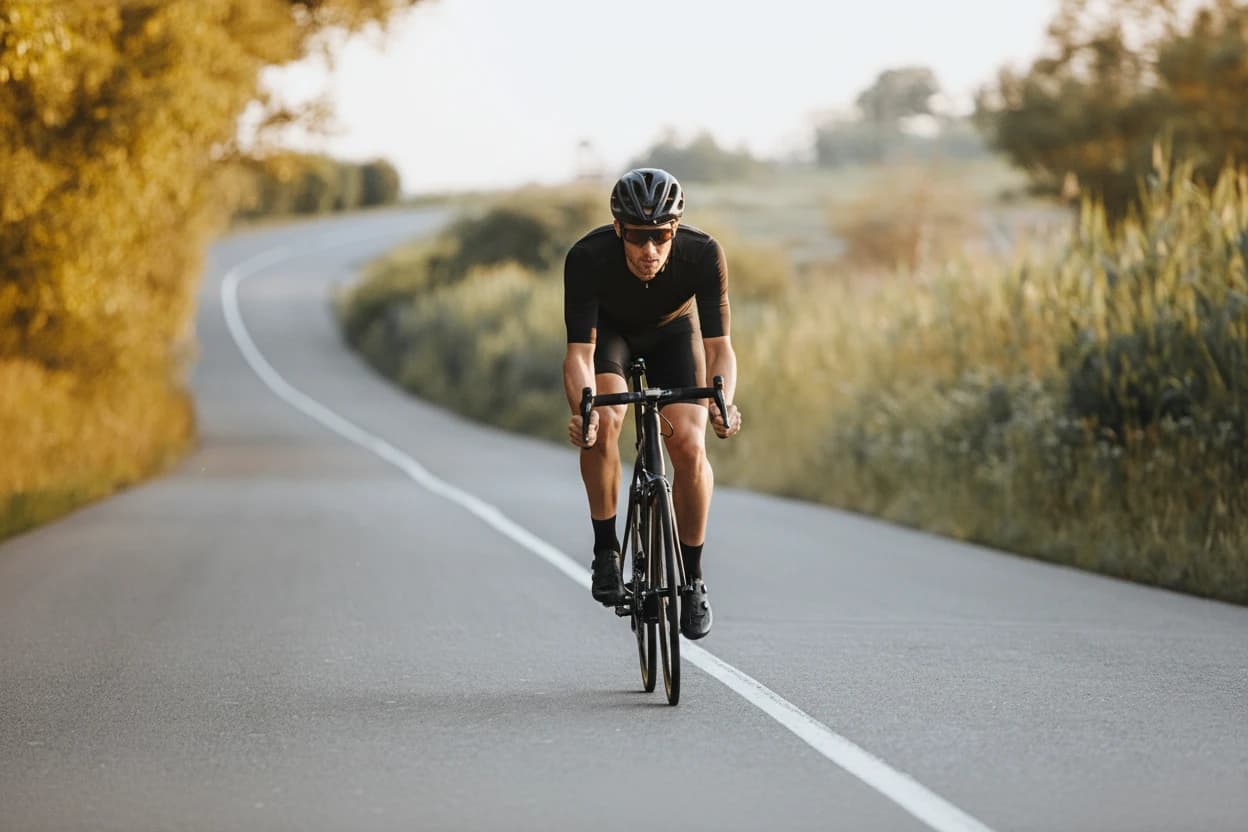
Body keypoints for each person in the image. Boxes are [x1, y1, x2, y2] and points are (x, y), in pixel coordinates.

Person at [562, 168, 742, 640]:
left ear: (674, 230)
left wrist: (723, 401)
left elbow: (720, 347)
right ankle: (606, 552)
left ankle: (694, 579)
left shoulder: (703, 254)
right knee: (603, 417)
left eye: (661, 236)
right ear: (619, 229)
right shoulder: (587, 257)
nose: (650, 251)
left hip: (673, 337)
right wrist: (581, 412)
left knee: (688, 443)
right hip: (611, 336)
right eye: (639, 237)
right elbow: (579, 356)